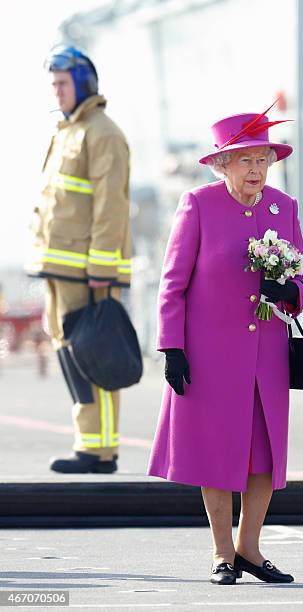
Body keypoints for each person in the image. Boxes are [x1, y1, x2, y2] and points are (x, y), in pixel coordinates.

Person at [147, 107, 303, 585]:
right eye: (244, 160)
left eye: (262, 158)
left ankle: (250, 548)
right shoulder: (198, 204)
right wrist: (171, 347)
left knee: (263, 454)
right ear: (222, 165)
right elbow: (172, 285)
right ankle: (222, 551)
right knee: (217, 453)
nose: (256, 170)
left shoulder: (285, 207)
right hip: (208, 354)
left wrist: (291, 291)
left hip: (267, 356)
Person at [27, 45, 131, 474]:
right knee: (72, 354)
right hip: (59, 268)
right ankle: (88, 444)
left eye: (63, 84)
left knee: (96, 353)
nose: (57, 93)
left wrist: (102, 271)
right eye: (53, 85)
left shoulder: (102, 133)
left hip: (88, 272)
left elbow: (111, 206)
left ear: (84, 83)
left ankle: (101, 452)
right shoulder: (65, 131)